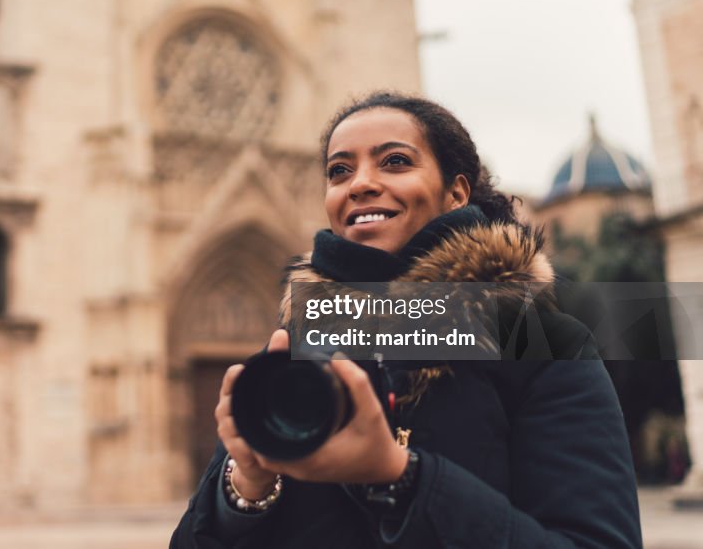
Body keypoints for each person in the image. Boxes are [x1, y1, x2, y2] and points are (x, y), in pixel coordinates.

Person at [170, 92, 642, 548]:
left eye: (394, 161)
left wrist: (401, 477)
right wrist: (245, 488)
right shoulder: (293, 348)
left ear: (456, 192)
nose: (359, 183)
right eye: (339, 171)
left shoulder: (544, 345)